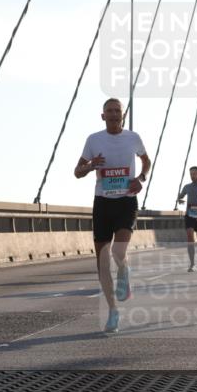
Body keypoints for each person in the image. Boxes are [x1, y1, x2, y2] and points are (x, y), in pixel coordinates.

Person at [75, 98, 150, 334]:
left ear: (123, 115)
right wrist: (91, 165)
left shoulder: (133, 137)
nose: (114, 114)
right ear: (103, 116)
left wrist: (141, 179)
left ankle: (124, 271)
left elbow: (146, 161)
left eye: (118, 111)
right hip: (103, 203)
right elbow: (77, 172)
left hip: (126, 201)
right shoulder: (93, 140)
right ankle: (113, 311)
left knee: (118, 252)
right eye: (110, 111)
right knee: (102, 261)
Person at [176, 166, 197, 272]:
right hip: (189, 215)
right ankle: (192, 263)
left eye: (194, 173)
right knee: (190, 238)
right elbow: (180, 197)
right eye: (191, 174)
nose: (192, 176)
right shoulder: (187, 186)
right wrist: (180, 200)